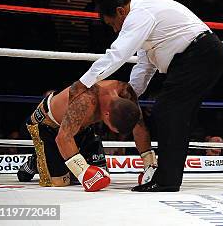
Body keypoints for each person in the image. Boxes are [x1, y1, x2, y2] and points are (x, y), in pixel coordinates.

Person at [68, 0, 223, 192]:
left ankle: (167, 180)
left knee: (167, 112)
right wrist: (131, 94)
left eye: (113, 24)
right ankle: (167, 178)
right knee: (175, 115)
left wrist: (83, 83)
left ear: (120, 11)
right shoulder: (145, 22)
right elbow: (145, 66)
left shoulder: (139, 14)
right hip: (198, 57)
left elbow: (118, 54)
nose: (116, 30)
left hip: (198, 55)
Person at [17, 80, 152, 192]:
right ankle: (35, 162)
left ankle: (61, 160)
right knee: (60, 182)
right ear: (106, 115)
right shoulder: (85, 100)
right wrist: (83, 171)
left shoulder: (126, 93)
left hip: (80, 127)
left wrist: (150, 165)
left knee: (102, 175)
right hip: (48, 126)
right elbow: (63, 138)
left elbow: (140, 128)